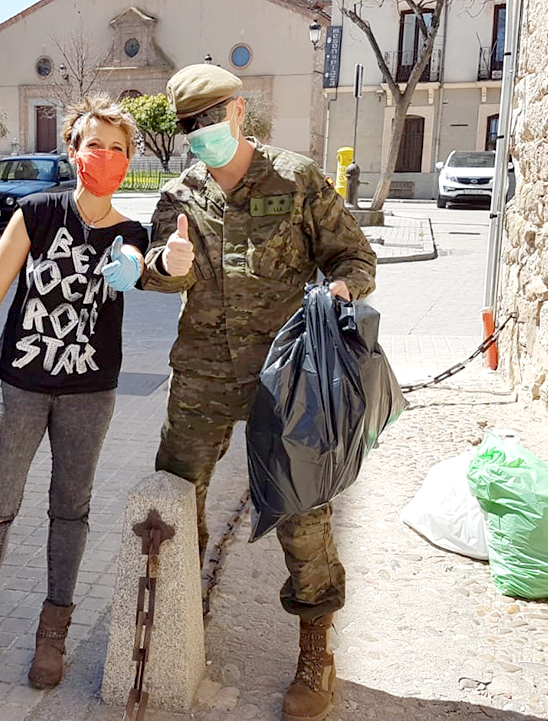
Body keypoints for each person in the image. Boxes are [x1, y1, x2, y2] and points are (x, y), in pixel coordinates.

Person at [141, 65, 377, 721]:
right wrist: (168, 267)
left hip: (287, 373)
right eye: (190, 126)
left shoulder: (297, 179)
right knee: (176, 495)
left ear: (239, 112)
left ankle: (315, 647)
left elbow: (356, 259)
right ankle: (181, 622)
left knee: (302, 512)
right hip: (203, 376)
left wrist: (339, 293)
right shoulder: (179, 194)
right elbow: (156, 273)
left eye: (211, 119)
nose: (202, 133)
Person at [0, 95, 148, 689]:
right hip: (21, 385)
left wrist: (135, 261)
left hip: (90, 393)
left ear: (128, 161)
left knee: (70, 509)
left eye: (115, 148)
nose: (102, 157)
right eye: (92, 145)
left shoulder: (132, 230)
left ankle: (52, 632)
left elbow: (138, 254)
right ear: (73, 151)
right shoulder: (37, 211)